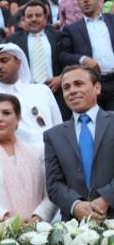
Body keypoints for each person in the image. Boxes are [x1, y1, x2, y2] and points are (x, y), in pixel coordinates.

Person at [0, 93, 57, 225]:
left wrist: (37, 218)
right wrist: (6, 219)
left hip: (37, 232)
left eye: (6, 113)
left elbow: (52, 194)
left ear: (18, 118)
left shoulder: (39, 152)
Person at [45, 64, 114, 221]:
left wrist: (106, 199)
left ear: (97, 87)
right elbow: (54, 184)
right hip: (74, 226)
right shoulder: (53, 135)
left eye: (79, 84)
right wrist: (76, 205)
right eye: (66, 87)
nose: (72, 91)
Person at [7, 1, 69, 118]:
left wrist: (62, 77)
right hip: (25, 94)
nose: (34, 19)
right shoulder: (13, 41)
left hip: (55, 92)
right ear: (24, 19)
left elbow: (69, 61)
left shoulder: (59, 36)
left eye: (38, 15)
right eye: (29, 16)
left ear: (45, 18)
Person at [58, 0, 114, 110]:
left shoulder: (112, 20)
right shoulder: (71, 29)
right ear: (78, 2)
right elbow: (63, 55)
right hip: (89, 85)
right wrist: (82, 59)